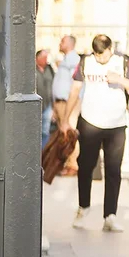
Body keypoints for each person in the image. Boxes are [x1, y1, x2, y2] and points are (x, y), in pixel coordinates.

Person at [61, 34, 129, 232]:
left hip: (116, 124)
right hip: (90, 122)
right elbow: (75, 90)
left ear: (110, 50)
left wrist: (120, 79)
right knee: (86, 167)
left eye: (103, 55)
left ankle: (110, 215)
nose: (100, 59)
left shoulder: (124, 61)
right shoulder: (85, 62)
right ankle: (83, 207)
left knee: (114, 171)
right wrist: (65, 119)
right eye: (97, 55)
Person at [53, 35, 81, 174]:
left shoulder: (73, 59)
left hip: (68, 103)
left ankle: (73, 165)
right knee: (63, 134)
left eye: (62, 41)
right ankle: (66, 163)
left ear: (70, 43)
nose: (60, 43)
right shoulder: (65, 59)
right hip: (60, 102)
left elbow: (76, 84)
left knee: (69, 132)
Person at [36, 48, 55, 149]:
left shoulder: (49, 69)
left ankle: (43, 152)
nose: (45, 59)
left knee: (45, 131)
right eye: (43, 57)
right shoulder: (32, 70)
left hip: (48, 105)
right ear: (37, 58)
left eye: (46, 57)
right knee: (35, 131)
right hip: (35, 106)